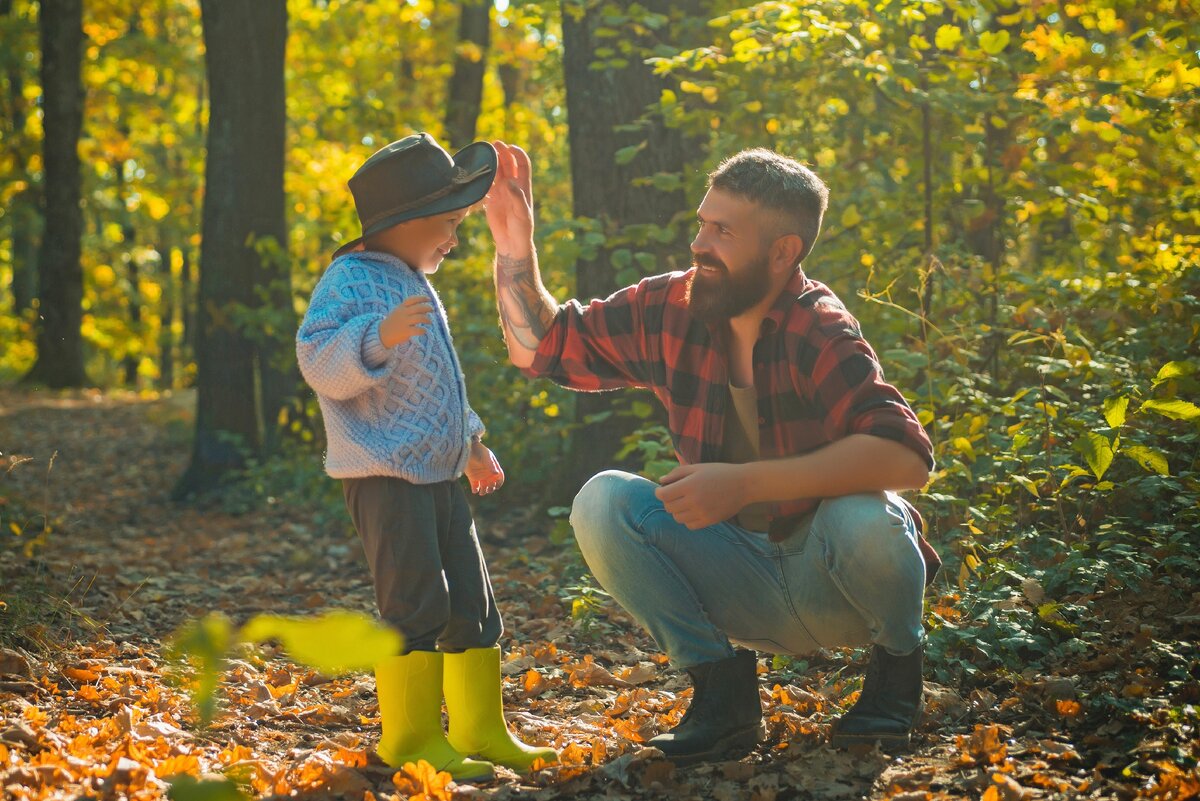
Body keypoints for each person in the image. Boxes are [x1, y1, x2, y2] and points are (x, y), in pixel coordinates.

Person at [483, 141, 939, 765]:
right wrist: (514, 245)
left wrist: (747, 483)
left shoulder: (819, 326)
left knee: (867, 517)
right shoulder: (673, 305)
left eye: (723, 231)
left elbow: (907, 457)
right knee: (604, 501)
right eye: (703, 223)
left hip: (832, 583)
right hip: (735, 576)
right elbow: (543, 348)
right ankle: (723, 700)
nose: (701, 243)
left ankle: (896, 678)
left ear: (784, 252)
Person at [296, 133, 557, 781]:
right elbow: (317, 360)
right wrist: (375, 337)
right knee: (416, 602)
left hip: (441, 471)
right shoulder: (351, 279)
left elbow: (437, 381)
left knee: (473, 600)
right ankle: (410, 735)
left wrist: (471, 441)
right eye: (447, 225)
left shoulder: (410, 276)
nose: (455, 239)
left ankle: (478, 727)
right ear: (405, 223)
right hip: (383, 474)